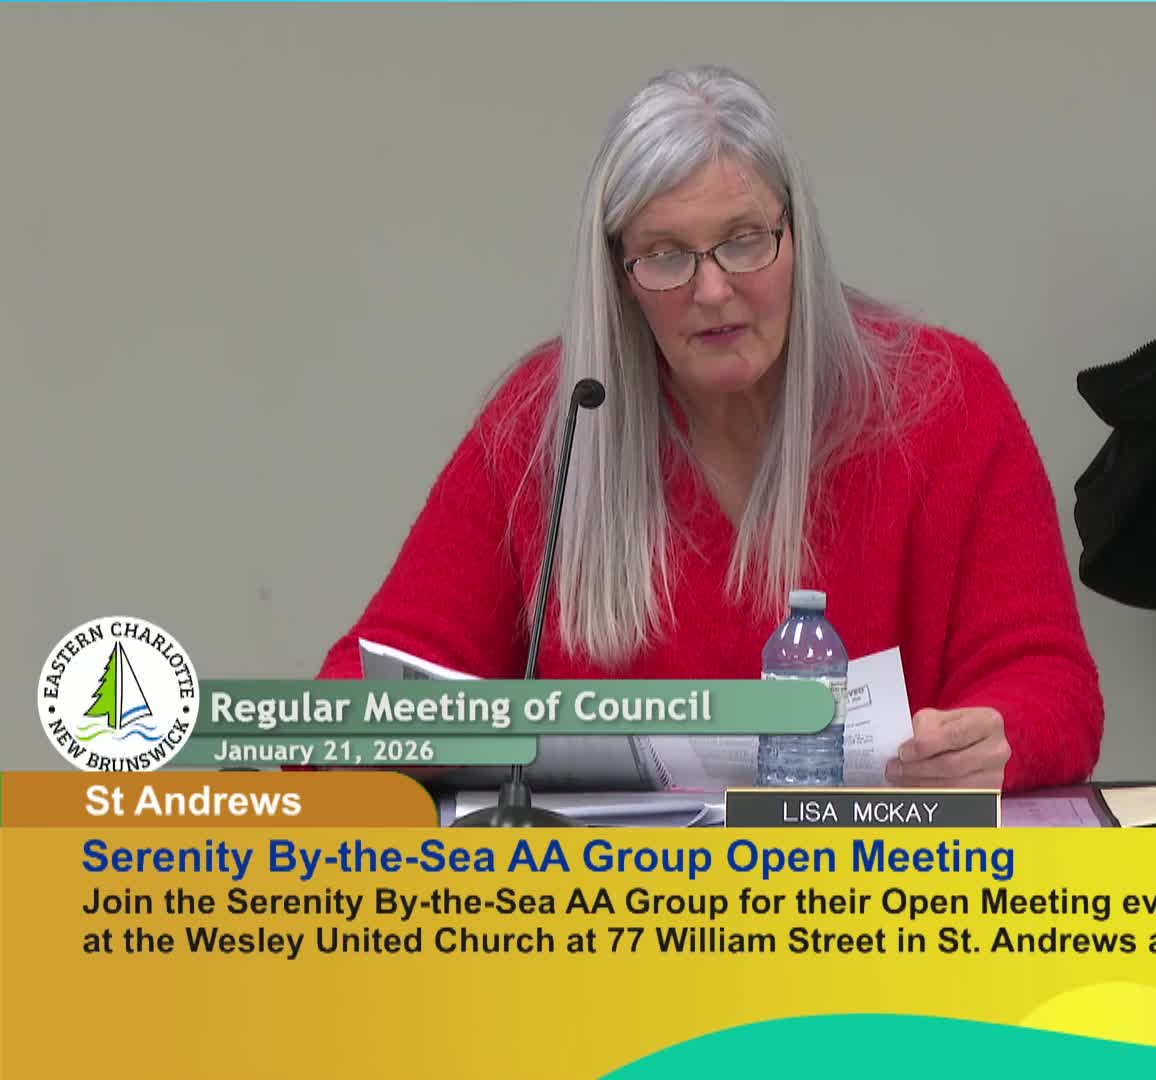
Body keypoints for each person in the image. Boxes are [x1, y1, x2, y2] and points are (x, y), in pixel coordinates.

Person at [316, 65, 1104, 793]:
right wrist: (415, 742)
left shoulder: (943, 400)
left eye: (744, 240)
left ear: (798, 239)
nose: (715, 290)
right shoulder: (548, 423)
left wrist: (997, 740)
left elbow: (1050, 685)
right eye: (666, 256)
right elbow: (357, 689)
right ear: (619, 278)